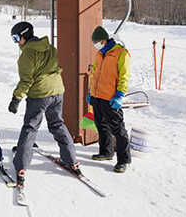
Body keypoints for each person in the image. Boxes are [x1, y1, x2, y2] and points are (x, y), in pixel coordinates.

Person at [8, 21, 80, 187]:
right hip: (57, 91)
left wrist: (16, 99)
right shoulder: (50, 48)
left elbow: (26, 80)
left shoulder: (26, 55)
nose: (16, 42)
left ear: (24, 35)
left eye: (16, 38)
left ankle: (21, 165)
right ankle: (71, 159)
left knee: (30, 127)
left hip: (40, 95)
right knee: (57, 124)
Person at [86, 26, 131, 173]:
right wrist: (90, 92)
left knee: (118, 129)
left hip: (111, 97)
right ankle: (106, 152)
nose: (95, 43)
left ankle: (123, 160)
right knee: (101, 125)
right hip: (97, 95)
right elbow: (94, 74)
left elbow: (124, 76)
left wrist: (119, 95)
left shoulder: (121, 53)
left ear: (104, 39)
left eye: (97, 41)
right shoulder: (99, 54)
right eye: (93, 41)